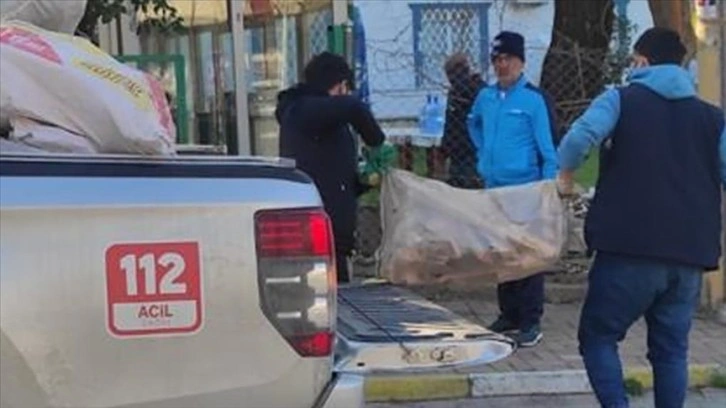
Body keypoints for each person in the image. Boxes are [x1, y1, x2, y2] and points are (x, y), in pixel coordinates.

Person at [556, 27, 726, 408]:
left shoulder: (620, 99)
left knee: (598, 337)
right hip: (689, 255)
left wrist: (565, 174)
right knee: (671, 351)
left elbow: (579, 138)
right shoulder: (713, 119)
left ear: (643, 60)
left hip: (628, 249)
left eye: (634, 61)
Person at [467, 31, 558, 347]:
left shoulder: (533, 100)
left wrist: (546, 188)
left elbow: (548, 148)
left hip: (526, 190)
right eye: (497, 59)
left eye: (508, 59)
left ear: (521, 61)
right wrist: (483, 154)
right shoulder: (486, 97)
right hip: (495, 190)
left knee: (527, 257)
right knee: (502, 253)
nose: (502, 65)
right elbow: (473, 123)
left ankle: (530, 320)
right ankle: (508, 313)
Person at [276, 52, 385, 284]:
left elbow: (327, 162)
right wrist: (376, 141)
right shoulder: (307, 110)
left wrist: (360, 182)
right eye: (346, 87)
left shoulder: (308, 114)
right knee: (334, 291)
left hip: (326, 222)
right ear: (340, 84)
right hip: (323, 226)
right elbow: (353, 108)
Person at [442, 53, 485, 188]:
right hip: (463, 150)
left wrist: (446, 146)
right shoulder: (457, 92)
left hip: (469, 150)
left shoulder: (476, 91)